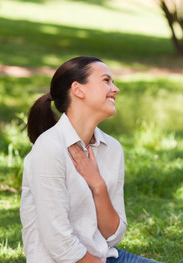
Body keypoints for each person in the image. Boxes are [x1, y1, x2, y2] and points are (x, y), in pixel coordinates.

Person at [20, 56, 162, 263]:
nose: (115, 89)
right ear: (78, 89)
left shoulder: (112, 148)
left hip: (104, 256)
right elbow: (59, 244)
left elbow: (112, 235)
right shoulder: (49, 147)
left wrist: (97, 185)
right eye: (106, 80)